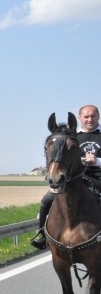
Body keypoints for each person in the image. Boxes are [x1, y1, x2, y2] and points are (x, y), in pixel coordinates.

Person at [31, 104, 101, 249]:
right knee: (47, 199)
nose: (89, 119)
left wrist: (96, 160)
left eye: (93, 116)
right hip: (74, 180)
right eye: (86, 116)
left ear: (98, 116)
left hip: (98, 178)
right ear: (79, 118)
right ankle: (43, 234)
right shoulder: (70, 137)